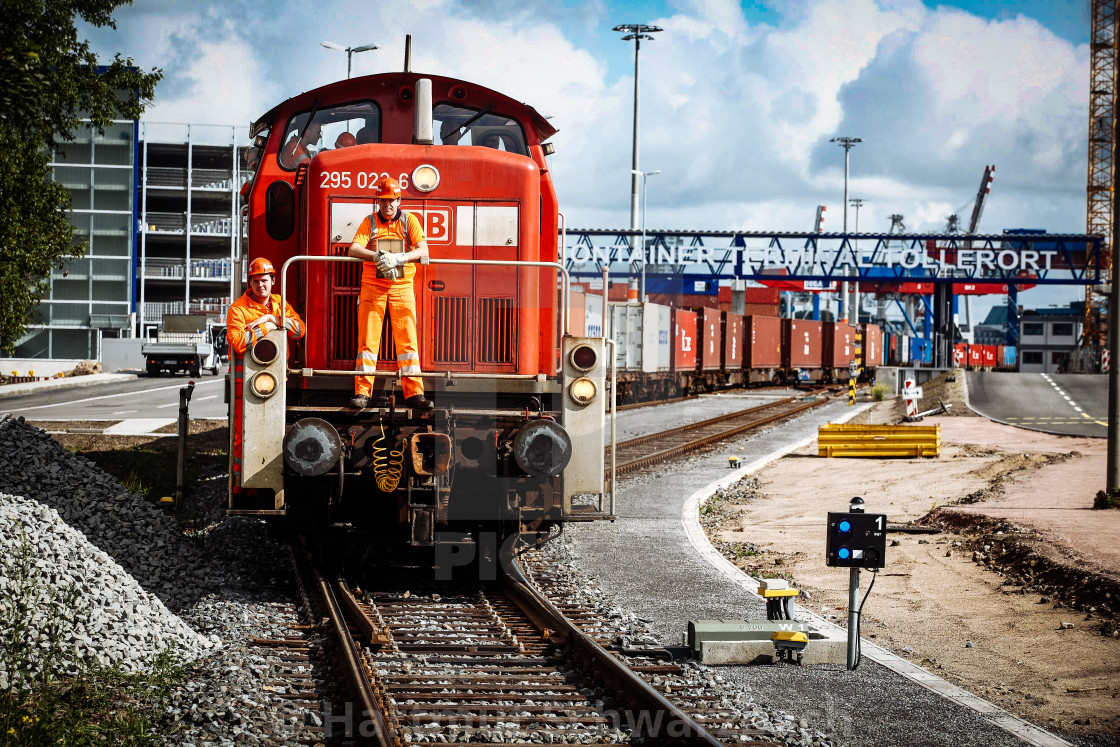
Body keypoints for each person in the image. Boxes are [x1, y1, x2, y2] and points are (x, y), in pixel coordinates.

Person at [346, 175, 432, 411]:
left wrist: (401, 257)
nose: (387, 205)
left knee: (407, 342)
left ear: (399, 200)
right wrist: (377, 256)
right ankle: (362, 393)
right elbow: (354, 248)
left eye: (391, 200)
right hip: (373, 287)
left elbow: (424, 248)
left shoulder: (409, 221)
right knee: (367, 341)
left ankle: (414, 393)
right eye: (383, 201)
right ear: (379, 201)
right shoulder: (369, 222)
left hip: (402, 287)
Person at [226, 257, 305, 356]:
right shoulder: (238, 308)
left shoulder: (280, 303)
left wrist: (273, 319)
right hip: (245, 371)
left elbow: (299, 331)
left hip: (277, 370)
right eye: (256, 281)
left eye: (264, 280)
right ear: (250, 282)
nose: (260, 285)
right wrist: (266, 327)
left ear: (273, 281)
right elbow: (237, 343)